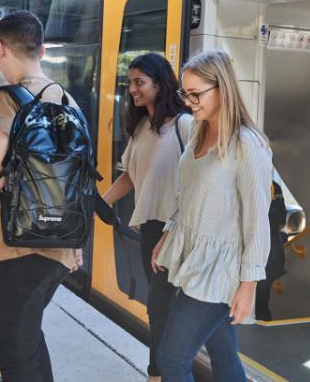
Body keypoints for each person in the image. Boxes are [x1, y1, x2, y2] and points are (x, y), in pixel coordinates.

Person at [0, 10, 82, 381]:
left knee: (13, 355)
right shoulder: (68, 100)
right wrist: (75, 244)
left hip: (18, 247)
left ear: (0, 47)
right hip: (61, 249)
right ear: (43, 49)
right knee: (29, 339)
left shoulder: (7, 99)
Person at [152, 50, 273, 381]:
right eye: (184, 93)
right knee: (222, 353)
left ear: (223, 89)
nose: (189, 102)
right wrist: (169, 233)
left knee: (172, 360)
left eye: (196, 94)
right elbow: (187, 193)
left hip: (221, 269)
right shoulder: (197, 131)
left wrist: (248, 285)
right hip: (195, 258)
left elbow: (257, 220)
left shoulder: (248, 146)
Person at [102, 53, 191, 381]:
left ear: (159, 83)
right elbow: (130, 174)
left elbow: (200, 180)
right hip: (150, 227)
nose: (132, 90)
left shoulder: (184, 124)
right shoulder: (141, 126)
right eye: (130, 84)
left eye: (139, 83)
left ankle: (158, 373)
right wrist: (101, 203)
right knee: (161, 307)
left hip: (176, 229)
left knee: (159, 307)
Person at [254, 180, 287, 322]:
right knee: (263, 297)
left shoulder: (250, 182)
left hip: (256, 249)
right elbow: (282, 220)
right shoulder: (275, 186)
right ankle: (263, 323)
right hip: (272, 249)